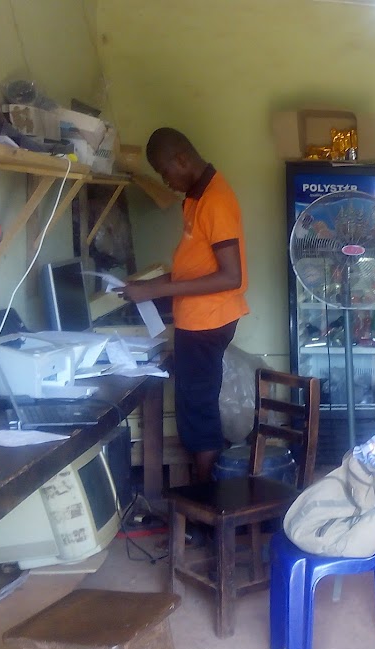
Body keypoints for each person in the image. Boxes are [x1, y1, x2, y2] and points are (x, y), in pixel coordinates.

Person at [121, 128, 249, 483]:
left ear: (181, 159)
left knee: (198, 413)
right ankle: (205, 493)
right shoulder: (197, 198)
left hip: (208, 322)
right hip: (199, 319)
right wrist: (151, 287)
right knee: (194, 408)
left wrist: (158, 289)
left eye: (165, 173)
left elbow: (230, 276)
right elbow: (197, 266)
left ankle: (205, 497)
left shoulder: (215, 201)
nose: (166, 182)